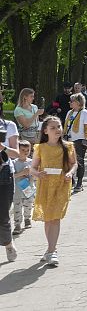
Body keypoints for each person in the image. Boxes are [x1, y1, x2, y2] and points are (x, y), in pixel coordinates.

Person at [29, 116, 78, 266]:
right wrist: (37, 174)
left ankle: (52, 251)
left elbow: (74, 163)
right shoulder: (40, 148)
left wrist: (70, 173)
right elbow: (32, 168)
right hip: (45, 186)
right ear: (45, 131)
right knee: (48, 219)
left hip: (61, 186)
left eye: (59, 127)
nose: (57, 130)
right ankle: (50, 249)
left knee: (55, 218)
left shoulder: (68, 146)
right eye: (53, 128)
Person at [1, 109, 20, 262]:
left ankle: (8, 243)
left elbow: (17, 154)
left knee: (2, 215)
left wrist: (3, 148)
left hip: (4, 175)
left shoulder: (9, 125)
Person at [64, 93, 87, 193]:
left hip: (79, 140)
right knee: (67, 161)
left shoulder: (85, 113)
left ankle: (79, 182)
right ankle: (72, 181)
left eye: (72, 101)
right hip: (68, 140)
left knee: (79, 162)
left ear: (78, 102)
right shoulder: (69, 113)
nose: (70, 103)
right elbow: (66, 127)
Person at [12, 140, 35, 235]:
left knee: (28, 205)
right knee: (17, 207)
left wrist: (30, 174)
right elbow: (11, 176)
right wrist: (21, 173)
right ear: (17, 150)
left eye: (28, 150)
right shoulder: (13, 163)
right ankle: (17, 224)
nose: (25, 152)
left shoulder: (31, 162)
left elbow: (34, 175)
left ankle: (27, 219)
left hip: (28, 187)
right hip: (17, 189)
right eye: (23, 150)